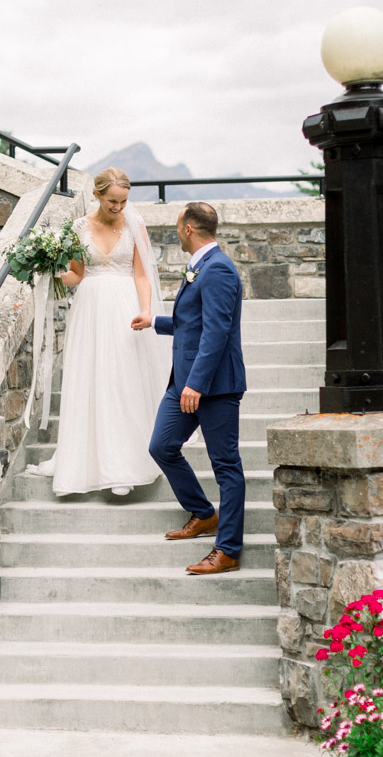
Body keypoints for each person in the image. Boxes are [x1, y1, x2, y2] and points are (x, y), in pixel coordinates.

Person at [28, 167, 170, 496]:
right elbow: (77, 274)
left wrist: (146, 310)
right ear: (97, 195)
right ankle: (83, 463)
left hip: (124, 308)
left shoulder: (136, 225)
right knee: (89, 379)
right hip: (89, 310)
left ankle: (123, 466)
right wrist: (48, 274)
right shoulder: (80, 227)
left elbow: (142, 275)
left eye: (123, 201)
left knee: (121, 380)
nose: (119, 207)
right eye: (112, 201)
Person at [131, 201, 246, 575]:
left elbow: (217, 332)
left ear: (189, 229)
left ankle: (227, 550)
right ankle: (202, 512)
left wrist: (196, 383)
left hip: (215, 386)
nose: (176, 230)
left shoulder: (218, 270)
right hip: (183, 382)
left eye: (178, 225)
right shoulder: (200, 267)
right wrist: (155, 321)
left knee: (225, 466)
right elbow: (193, 321)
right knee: (161, 446)